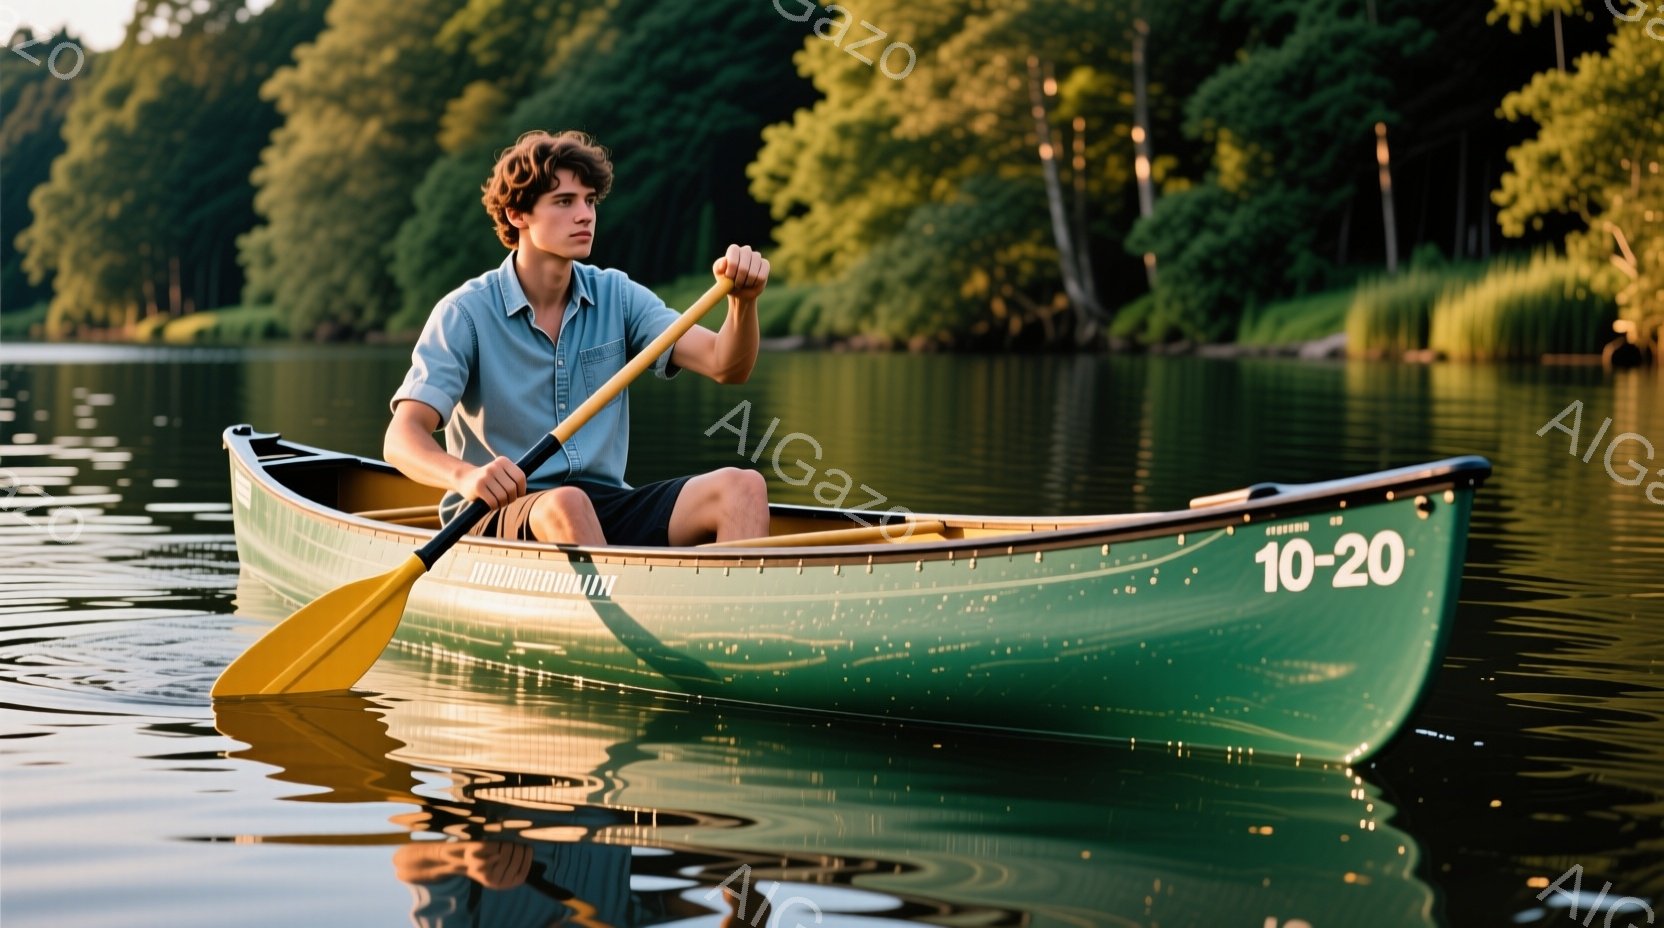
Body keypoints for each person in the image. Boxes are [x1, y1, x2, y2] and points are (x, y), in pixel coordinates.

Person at [386, 130, 771, 547]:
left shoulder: (618, 295)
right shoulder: (464, 312)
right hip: (495, 513)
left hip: (605, 504)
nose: (585, 214)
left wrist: (743, 303)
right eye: (565, 202)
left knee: (743, 486)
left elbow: (726, 365)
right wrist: (467, 476)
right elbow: (401, 438)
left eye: (589, 201)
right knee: (566, 503)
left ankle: (736, 608)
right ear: (518, 215)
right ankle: (619, 608)